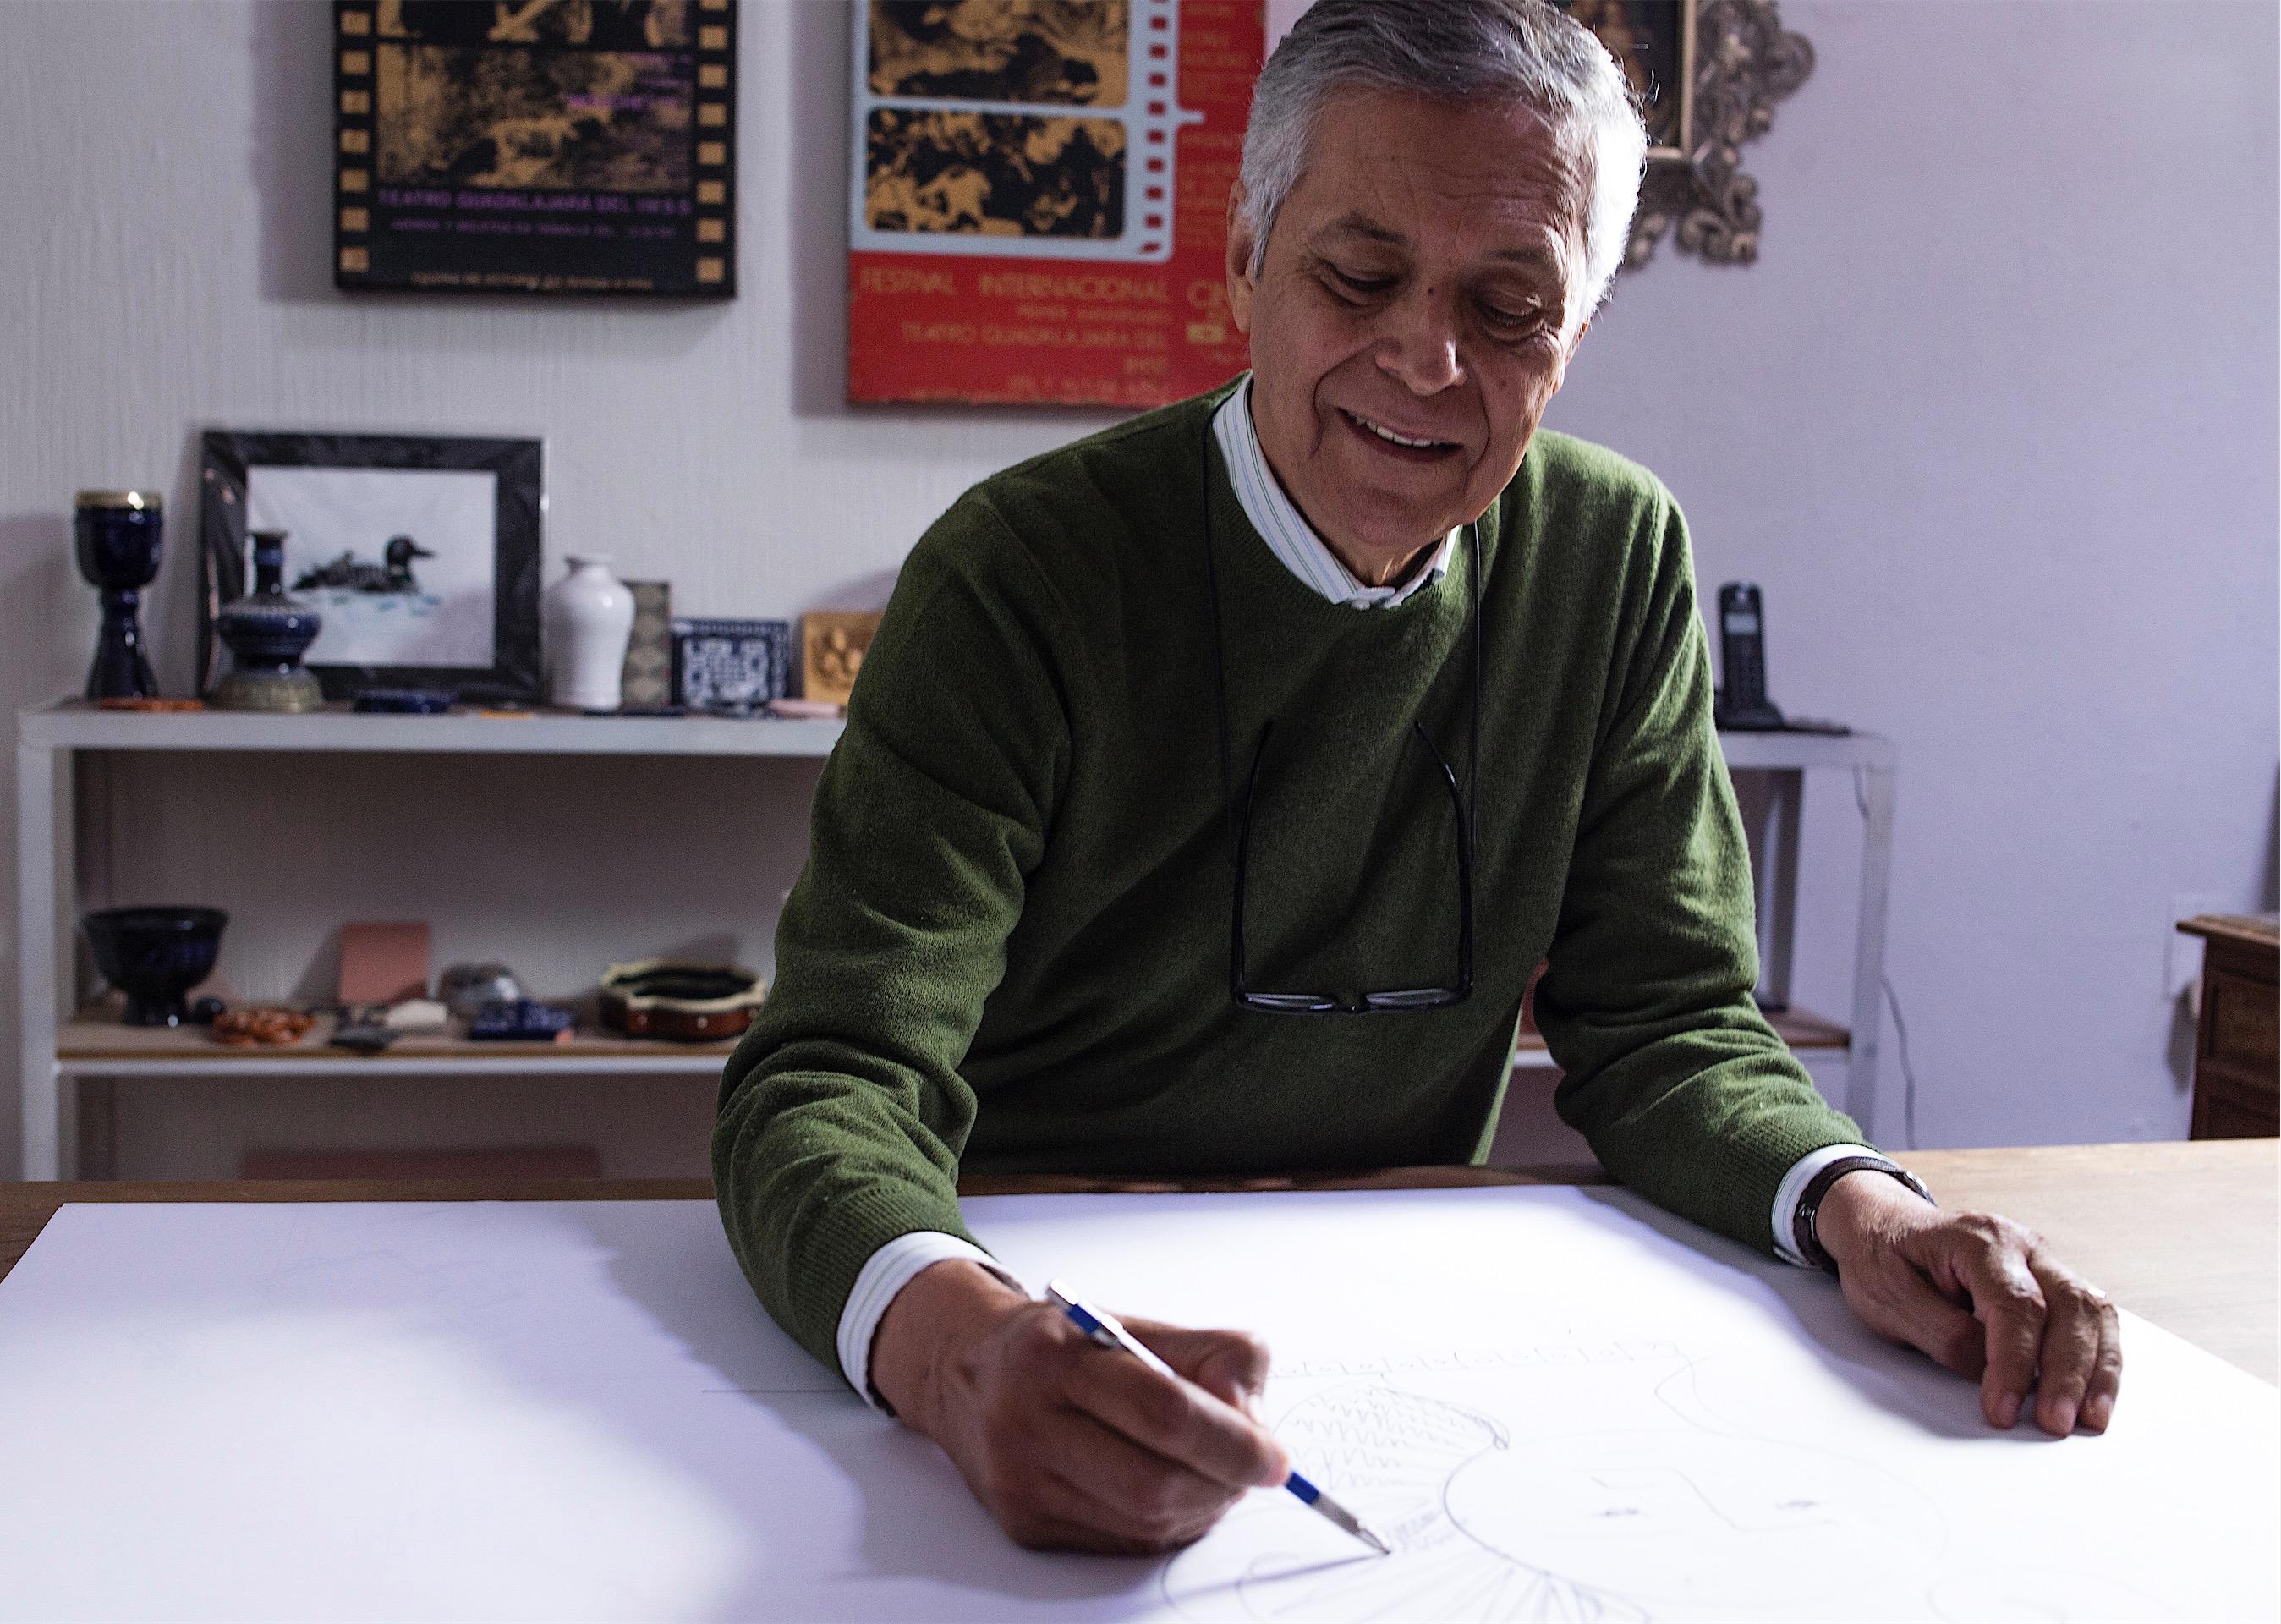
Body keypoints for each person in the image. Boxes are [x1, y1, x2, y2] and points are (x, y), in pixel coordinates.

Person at [716, 0, 2121, 1557]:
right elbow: (833, 1078)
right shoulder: (1023, 571)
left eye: (1511, 304)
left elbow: (1666, 1021)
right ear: (1244, 259)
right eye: (1359, 276)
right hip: (1036, 1289)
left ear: (1578, 331)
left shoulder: (1611, 557)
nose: (1425, 359)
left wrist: (1867, 1211)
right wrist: (952, 1347)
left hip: (1415, 1317)